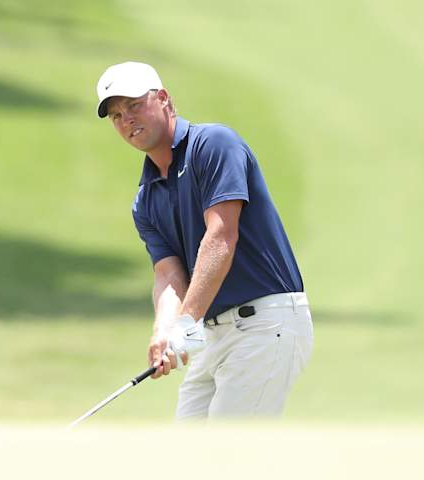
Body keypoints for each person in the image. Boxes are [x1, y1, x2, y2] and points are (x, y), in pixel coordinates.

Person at [95, 61, 313, 419]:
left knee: (229, 458)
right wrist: (165, 331)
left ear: (164, 99)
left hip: (264, 325)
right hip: (213, 336)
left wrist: (185, 324)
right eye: (117, 115)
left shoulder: (213, 144)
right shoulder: (145, 200)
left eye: (134, 105)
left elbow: (221, 237)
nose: (127, 120)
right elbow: (169, 276)